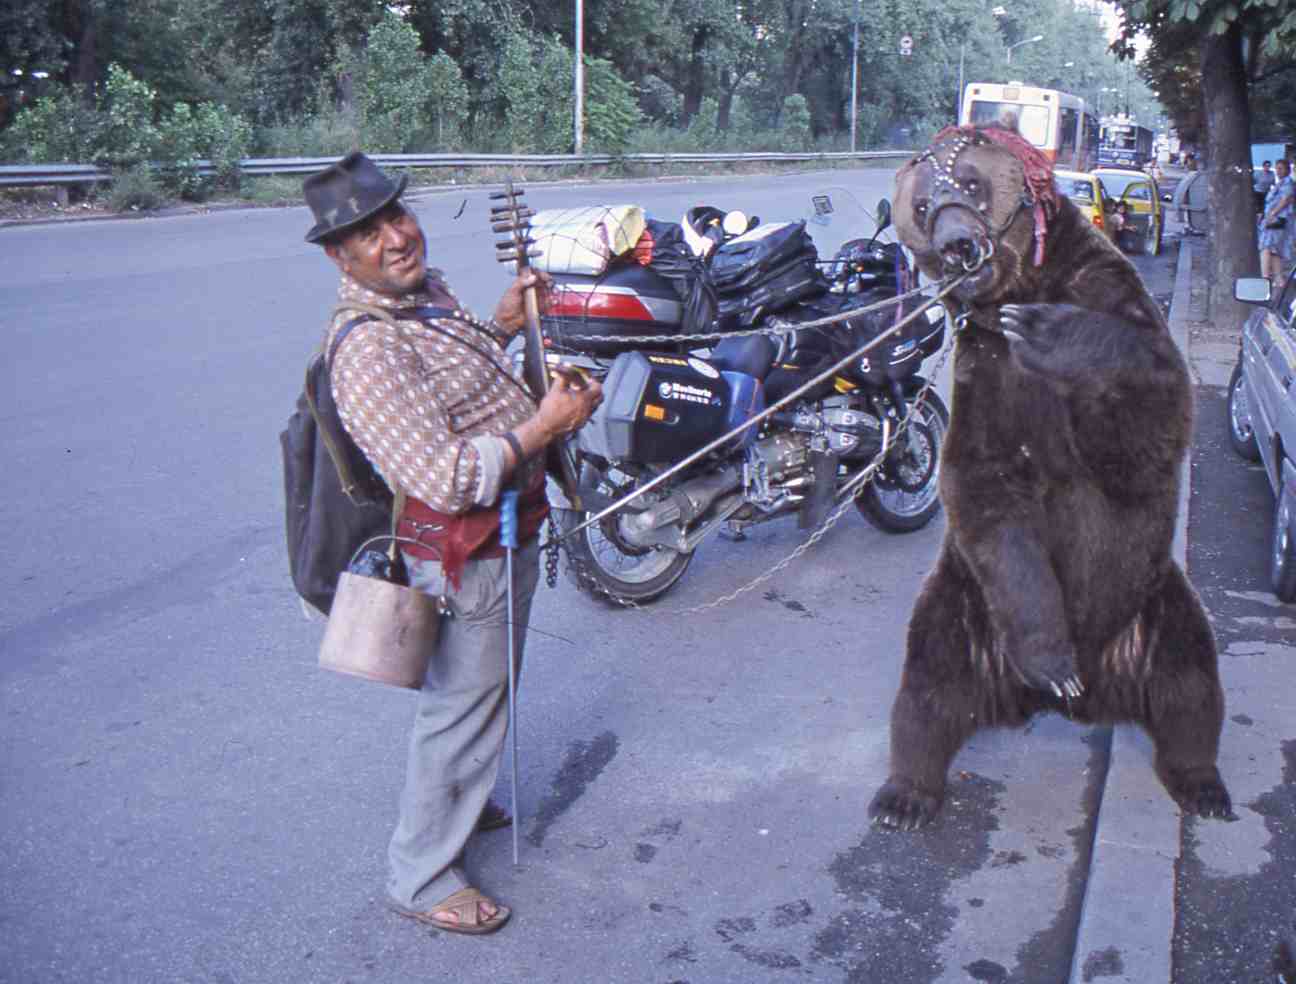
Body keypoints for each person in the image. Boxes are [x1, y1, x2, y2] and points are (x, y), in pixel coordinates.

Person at [302, 152, 603, 935]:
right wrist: (544, 427)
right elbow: (444, 475)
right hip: (465, 548)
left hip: (510, 530)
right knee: (460, 704)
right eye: (368, 233)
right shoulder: (367, 349)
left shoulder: (424, 298)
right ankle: (422, 874)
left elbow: (464, 374)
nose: (396, 237)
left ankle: (464, 799)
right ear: (340, 256)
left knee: (485, 687)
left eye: (397, 216)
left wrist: (502, 322)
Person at [1259, 158, 1294, 282]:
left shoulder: (1287, 183)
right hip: (1276, 218)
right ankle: (1279, 279)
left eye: (1281, 168)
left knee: (1266, 246)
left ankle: (1265, 278)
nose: (1278, 171)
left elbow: (1285, 200)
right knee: (1274, 249)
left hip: (1278, 218)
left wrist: (1272, 214)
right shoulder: (1281, 182)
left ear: (1287, 170)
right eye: (1277, 168)